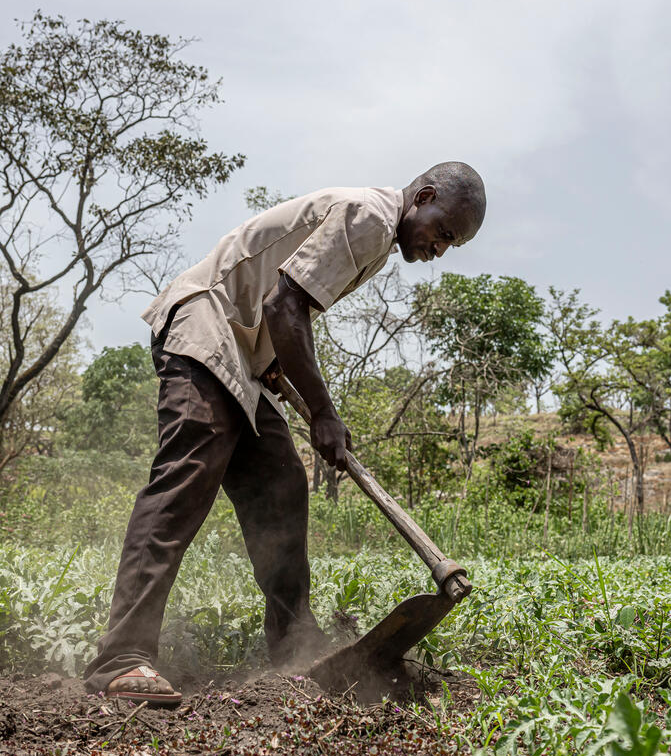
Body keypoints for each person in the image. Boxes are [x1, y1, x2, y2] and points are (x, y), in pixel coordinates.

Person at [83, 161, 487, 707]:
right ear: (425, 196)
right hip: (206, 329)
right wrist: (324, 411)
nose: (439, 250)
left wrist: (274, 365)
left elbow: (277, 303)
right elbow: (283, 305)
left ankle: (297, 649)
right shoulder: (369, 215)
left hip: (245, 357)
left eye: (450, 246)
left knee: (282, 484)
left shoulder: (376, 233)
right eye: (442, 232)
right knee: (187, 481)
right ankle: (121, 658)